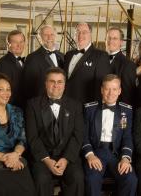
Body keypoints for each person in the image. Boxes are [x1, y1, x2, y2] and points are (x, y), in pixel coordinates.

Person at [25, 67, 84, 196]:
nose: (56, 85)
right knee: (42, 179)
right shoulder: (32, 105)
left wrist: (66, 159)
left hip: (67, 155)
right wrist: (46, 160)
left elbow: (78, 135)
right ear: (45, 83)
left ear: (64, 84)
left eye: (59, 81)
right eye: (52, 81)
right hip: (42, 156)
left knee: (77, 177)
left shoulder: (76, 105)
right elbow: (32, 137)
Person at [83, 74, 137, 196]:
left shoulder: (126, 111)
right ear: (102, 90)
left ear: (119, 91)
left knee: (131, 179)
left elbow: (127, 137)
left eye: (114, 89)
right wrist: (90, 155)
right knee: (92, 179)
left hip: (116, 155)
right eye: (107, 89)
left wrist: (125, 158)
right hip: (96, 153)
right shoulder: (89, 109)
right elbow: (83, 136)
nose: (110, 93)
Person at [64, 22, 110, 104]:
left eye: (84, 32)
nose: (80, 35)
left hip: (86, 106)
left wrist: (94, 109)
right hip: (66, 104)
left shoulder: (101, 56)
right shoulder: (68, 55)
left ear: (90, 34)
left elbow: (101, 86)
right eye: (77, 32)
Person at [22, 25, 64, 101]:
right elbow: (27, 87)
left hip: (61, 103)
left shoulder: (62, 56)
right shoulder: (32, 58)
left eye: (51, 34)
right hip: (40, 103)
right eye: (45, 35)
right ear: (39, 37)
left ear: (55, 36)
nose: (49, 37)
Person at [106, 27, 136, 106]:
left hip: (116, 111)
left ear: (121, 42)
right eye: (109, 38)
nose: (111, 41)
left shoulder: (128, 64)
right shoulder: (99, 59)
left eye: (115, 38)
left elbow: (127, 95)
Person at [0, 30, 25, 107]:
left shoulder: (24, 61)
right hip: (11, 108)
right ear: (8, 44)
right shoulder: (3, 63)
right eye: (15, 42)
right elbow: (2, 92)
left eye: (21, 42)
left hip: (22, 106)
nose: (19, 45)